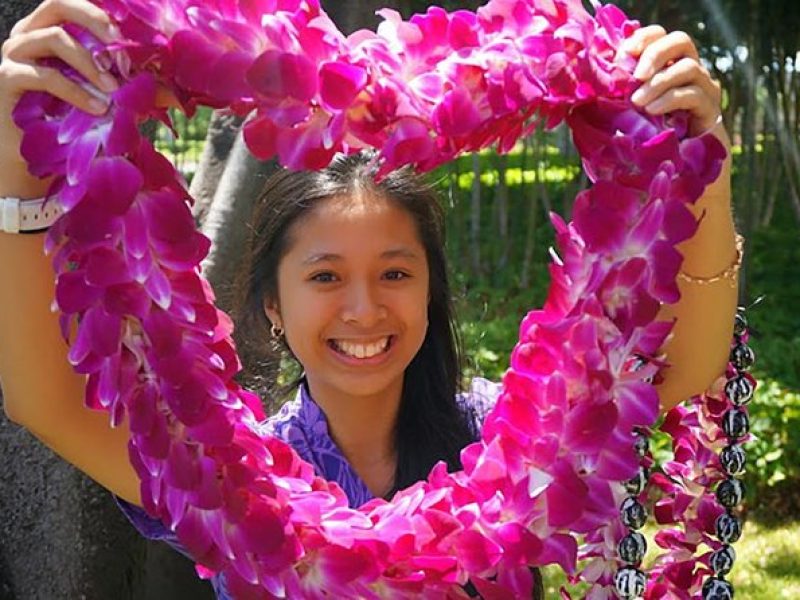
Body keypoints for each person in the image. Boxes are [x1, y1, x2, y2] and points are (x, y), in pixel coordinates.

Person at [0, 0, 740, 597]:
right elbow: (46, 403)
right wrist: (15, 176)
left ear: (429, 292)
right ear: (272, 307)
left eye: (394, 273)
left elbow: (686, 370)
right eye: (324, 276)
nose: (363, 310)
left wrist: (700, 169)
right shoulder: (224, 475)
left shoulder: (493, 436)